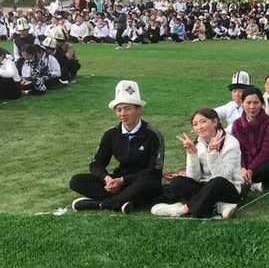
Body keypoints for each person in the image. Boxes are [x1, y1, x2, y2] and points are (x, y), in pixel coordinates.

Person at [70, 80, 165, 212]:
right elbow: (96, 163)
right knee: (77, 181)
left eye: (127, 108)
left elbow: (154, 171)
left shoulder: (153, 135)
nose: (122, 114)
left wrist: (123, 180)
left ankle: (102, 204)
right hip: (119, 180)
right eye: (118, 110)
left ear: (139, 110)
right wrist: (107, 178)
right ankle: (127, 199)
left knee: (145, 184)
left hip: (143, 181)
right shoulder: (111, 134)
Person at [151, 108, 243, 219]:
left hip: (227, 188)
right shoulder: (198, 143)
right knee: (177, 182)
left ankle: (182, 209)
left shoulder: (231, 143)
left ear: (215, 122)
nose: (199, 127)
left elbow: (222, 176)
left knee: (216, 183)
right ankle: (218, 206)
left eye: (203, 122)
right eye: (195, 124)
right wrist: (192, 154)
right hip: (204, 186)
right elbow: (194, 177)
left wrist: (213, 153)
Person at [230, 87, 269, 192]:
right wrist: (242, 167)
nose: (252, 106)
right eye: (248, 103)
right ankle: (250, 182)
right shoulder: (237, 124)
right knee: (230, 168)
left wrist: (251, 169)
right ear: (242, 103)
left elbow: (267, 152)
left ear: (262, 104)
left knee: (266, 170)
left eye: (256, 103)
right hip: (245, 164)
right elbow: (238, 150)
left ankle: (245, 182)